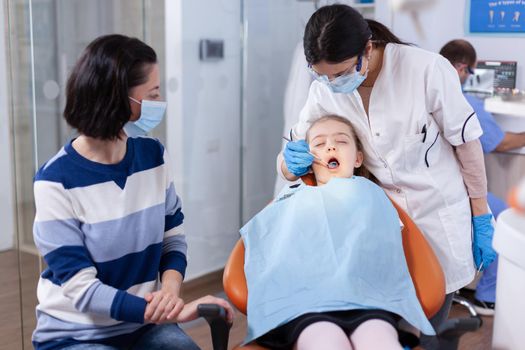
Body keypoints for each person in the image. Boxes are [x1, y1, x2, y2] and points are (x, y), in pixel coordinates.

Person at [277, 5, 496, 349]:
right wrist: (291, 161)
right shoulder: (324, 88)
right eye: (322, 76)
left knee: (430, 322)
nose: (333, 84)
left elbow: (466, 144)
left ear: (367, 49)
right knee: (384, 325)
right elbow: (293, 155)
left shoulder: (425, 69)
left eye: (342, 73)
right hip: (378, 223)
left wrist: (480, 213)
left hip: (435, 215)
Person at [31, 34, 233, 350]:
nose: (159, 101)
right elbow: (82, 290)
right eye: (152, 94)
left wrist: (169, 291)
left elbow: (173, 238)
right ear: (117, 100)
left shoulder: (154, 157)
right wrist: (173, 312)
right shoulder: (55, 181)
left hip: (144, 327)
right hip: (77, 335)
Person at [243, 115, 434, 350]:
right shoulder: (292, 196)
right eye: (319, 144)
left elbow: (387, 251)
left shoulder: (373, 194)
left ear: (358, 158)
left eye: (341, 142)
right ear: (308, 160)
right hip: (305, 305)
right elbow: (266, 245)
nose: (331, 146)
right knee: (327, 342)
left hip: (369, 301)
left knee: (380, 340)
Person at [439, 38, 525, 315]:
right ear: (463, 69)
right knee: (505, 221)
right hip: (456, 192)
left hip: (432, 189)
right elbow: (500, 143)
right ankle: (488, 297)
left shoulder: (425, 92)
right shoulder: (465, 102)